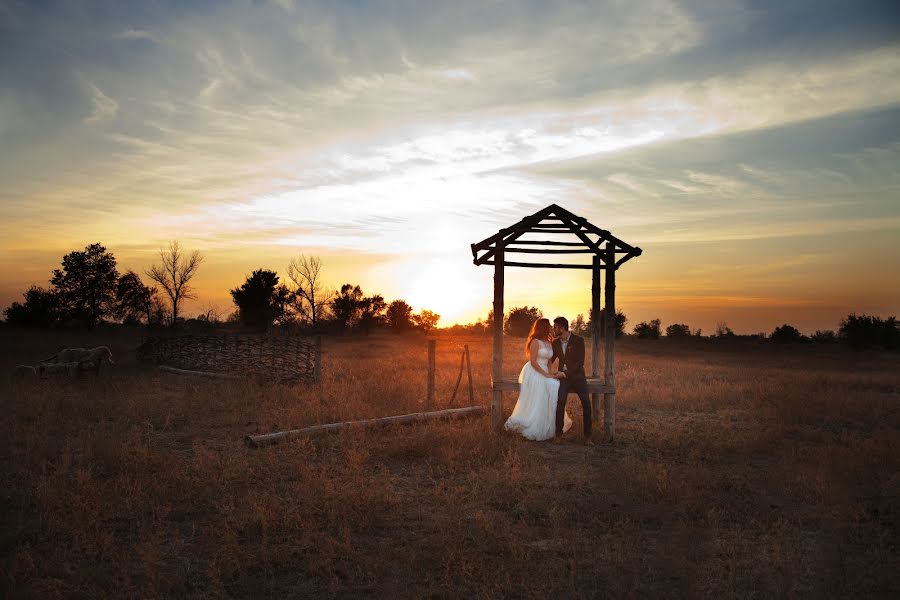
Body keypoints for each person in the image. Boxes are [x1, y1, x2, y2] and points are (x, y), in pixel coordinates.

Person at [504, 318, 572, 440]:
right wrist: (545, 375)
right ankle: (536, 422)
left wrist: (550, 374)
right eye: (549, 326)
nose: (551, 328)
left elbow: (549, 362)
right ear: (543, 327)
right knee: (548, 386)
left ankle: (551, 422)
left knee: (555, 385)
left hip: (544, 371)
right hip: (534, 370)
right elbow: (533, 361)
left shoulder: (548, 341)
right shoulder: (535, 341)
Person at [551, 316, 593, 444]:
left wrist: (564, 374)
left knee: (586, 403)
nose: (554, 329)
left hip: (578, 377)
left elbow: (580, 363)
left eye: (555, 327)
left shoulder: (578, 340)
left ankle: (588, 437)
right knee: (560, 402)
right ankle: (558, 434)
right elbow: (550, 359)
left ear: (562, 328)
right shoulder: (555, 343)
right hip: (563, 379)